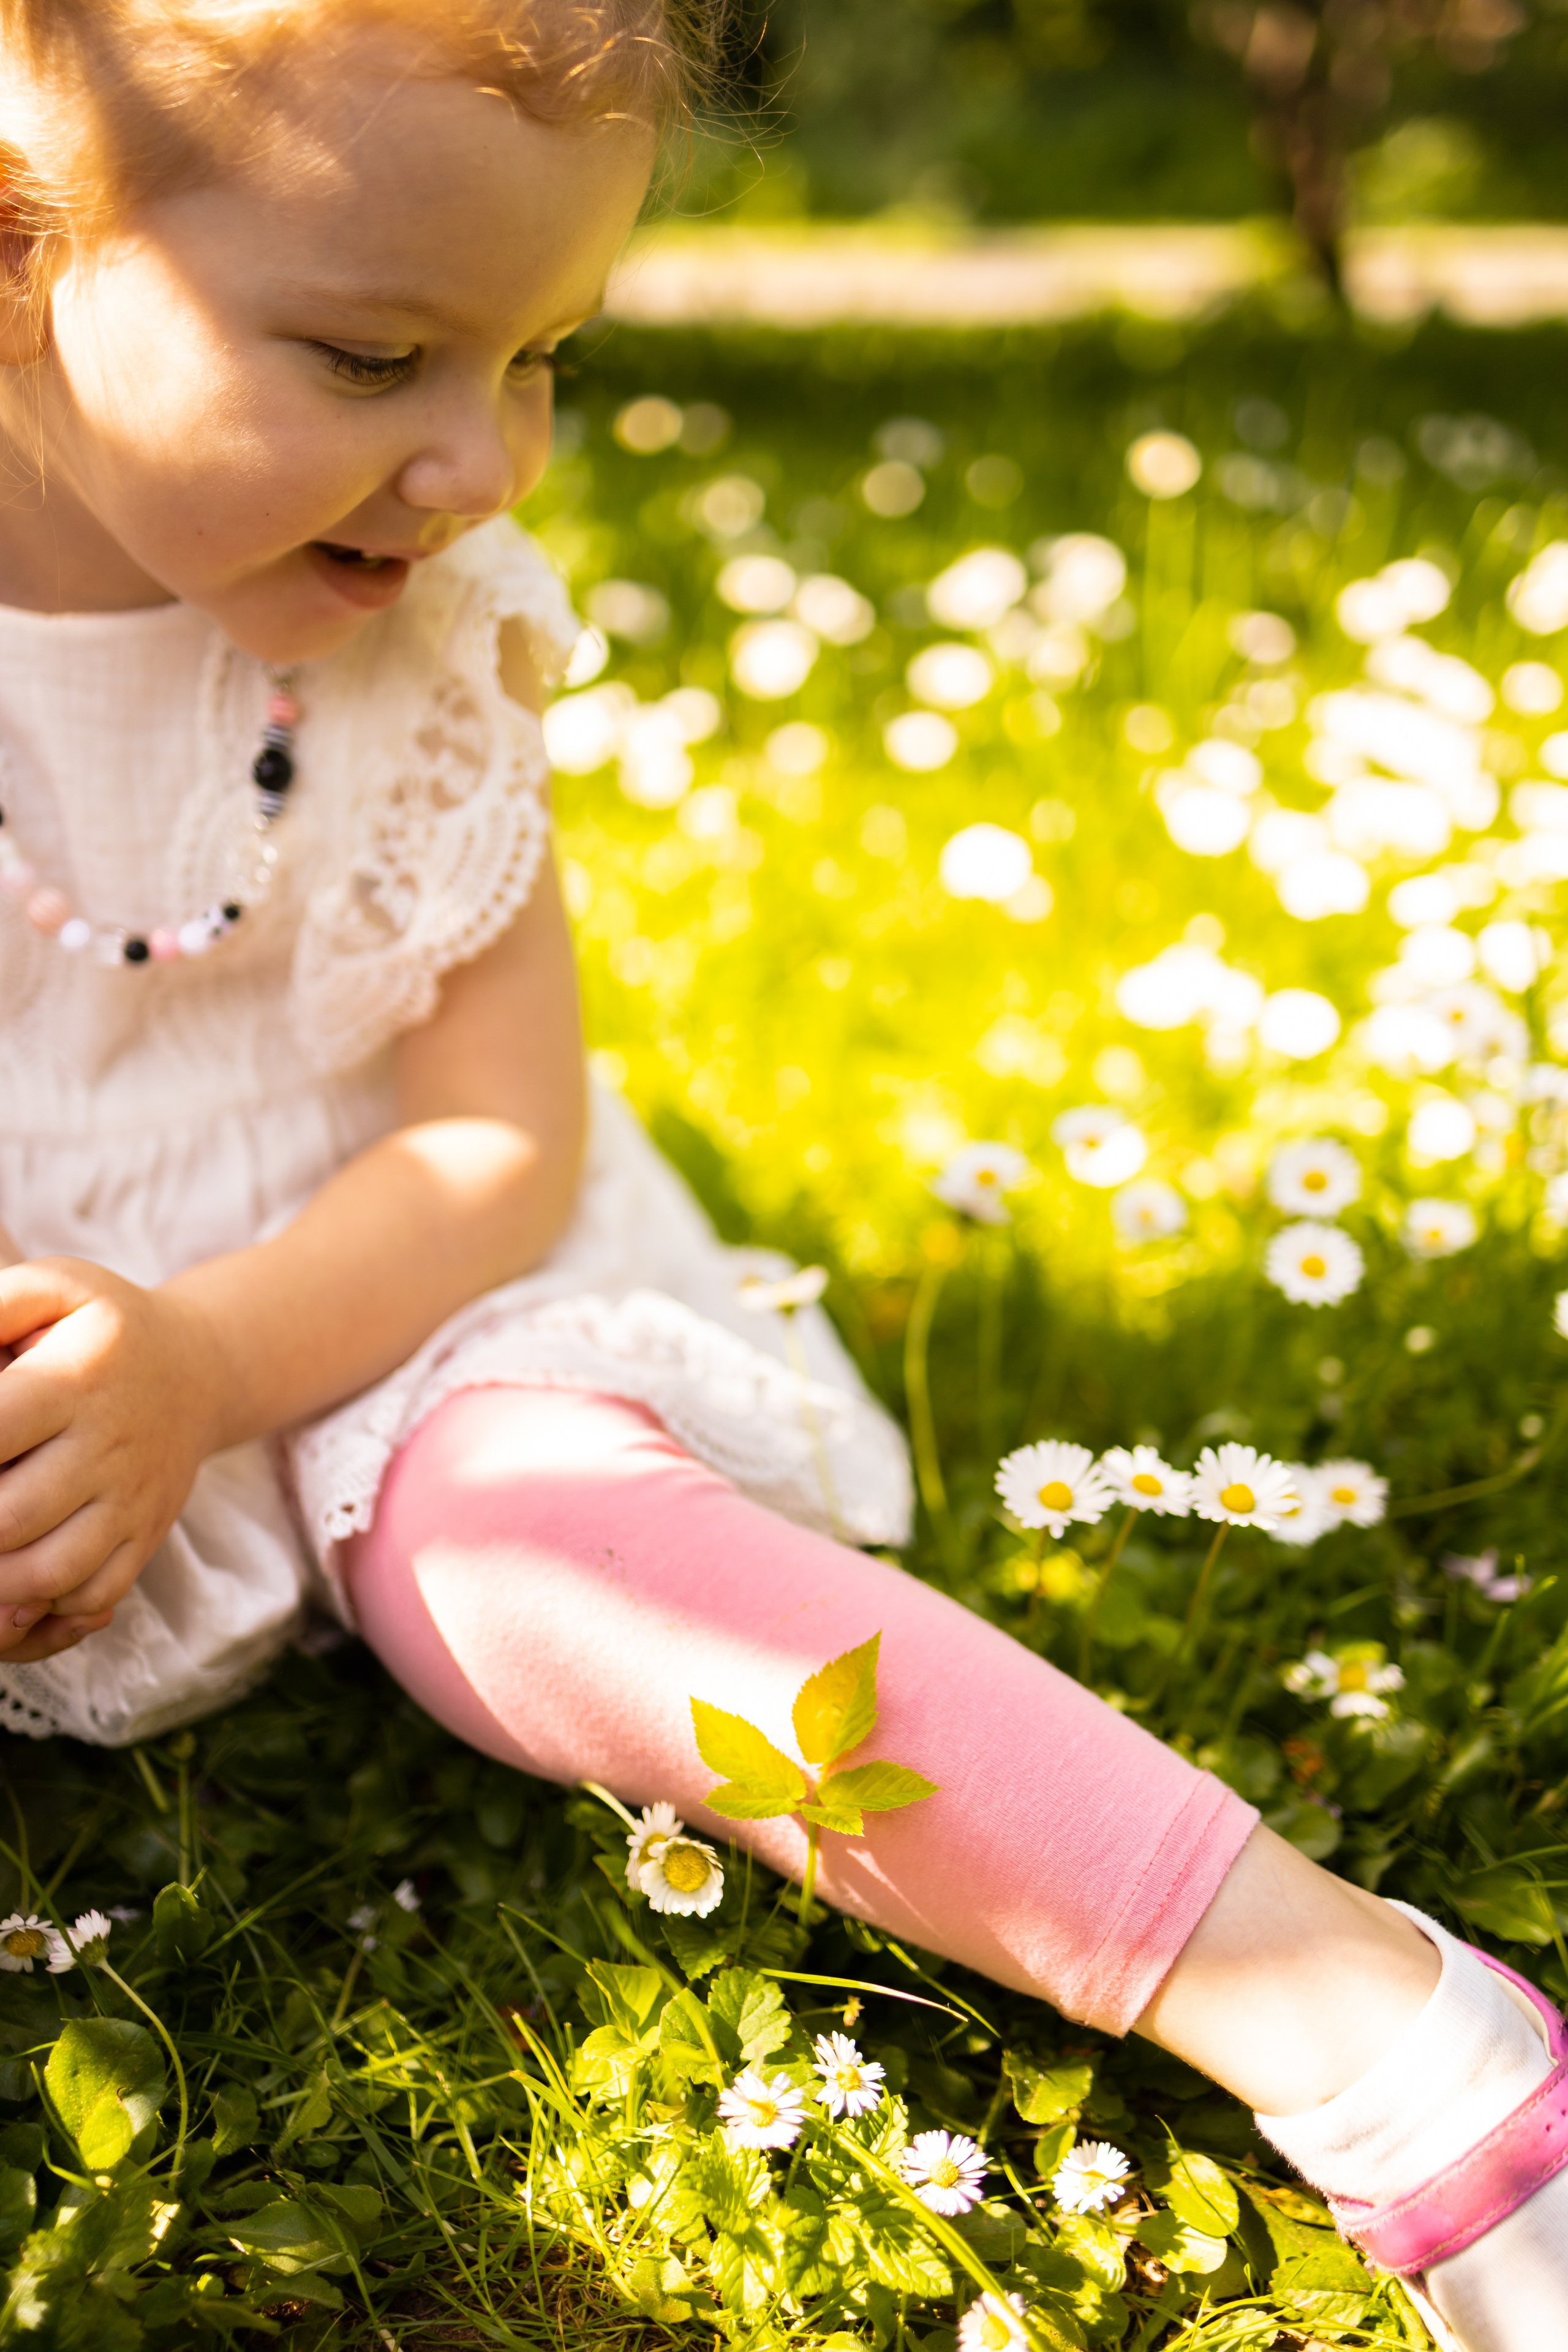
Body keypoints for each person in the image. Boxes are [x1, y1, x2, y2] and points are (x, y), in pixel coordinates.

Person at [0, 7, 1556, 2345]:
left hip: (393, 1307)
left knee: (521, 1542)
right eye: (373, 354)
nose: (480, 465)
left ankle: (1368, 2020)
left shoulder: (425, 647)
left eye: (539, 357)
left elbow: (499, 1144)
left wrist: (212, 1355)